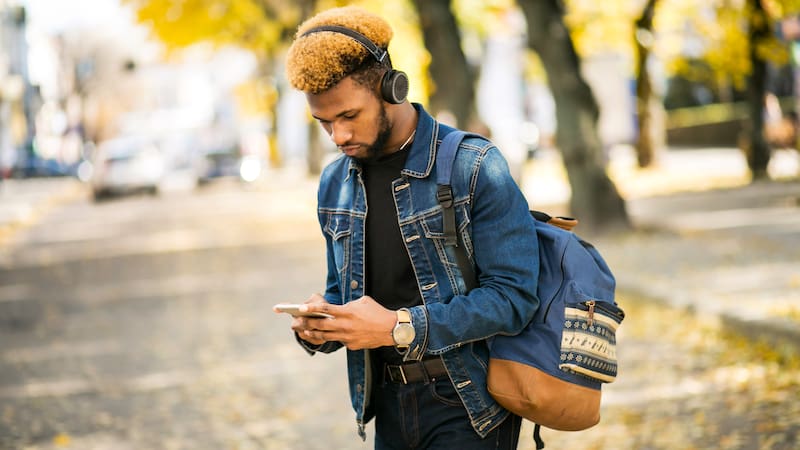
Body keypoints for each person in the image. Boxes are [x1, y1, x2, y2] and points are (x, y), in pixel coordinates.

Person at [276, 6, 540, 449]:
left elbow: (515, 299)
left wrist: (398, 326)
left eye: (348, 116)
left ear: (390, 89)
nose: (338, 137)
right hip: (386, 406)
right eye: (324, 123)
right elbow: (344, 292)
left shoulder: (472, 166)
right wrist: (322, 325)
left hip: (470, 403)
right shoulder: (334, 183)